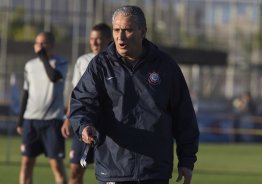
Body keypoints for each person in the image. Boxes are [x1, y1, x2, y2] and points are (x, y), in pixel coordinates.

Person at [69, 5, 199, 184]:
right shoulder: (100, 65)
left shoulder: (165, 66)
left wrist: (187, 160)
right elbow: (82, 102)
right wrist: (84, 125)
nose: (120, 37)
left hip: (154, 170)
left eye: (128, 30)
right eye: (116, 30)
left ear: (142, 31)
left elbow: (184, 116)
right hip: (113, 167)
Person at [61, 23, 112, 184]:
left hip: (107, 125)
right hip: (84, 123)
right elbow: (75, 94)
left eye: (99, 39)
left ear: (109, 39)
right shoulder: (82, 61)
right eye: (92, 39)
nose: (95, 42)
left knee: (107, 174)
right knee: (75, 170)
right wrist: (69, 118)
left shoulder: (115, 61)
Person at [16, 32, 68, 184]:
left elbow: (53, 77)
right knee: (26, 164)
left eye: (43, 43)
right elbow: (25, 93)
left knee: (56, 166)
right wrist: (20, 121)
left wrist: (43, 57)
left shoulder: (61, 63)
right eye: (37, 43)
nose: (39, 46)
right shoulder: (29, 65)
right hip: (31, 121)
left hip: (52, 121)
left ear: (51, 45)